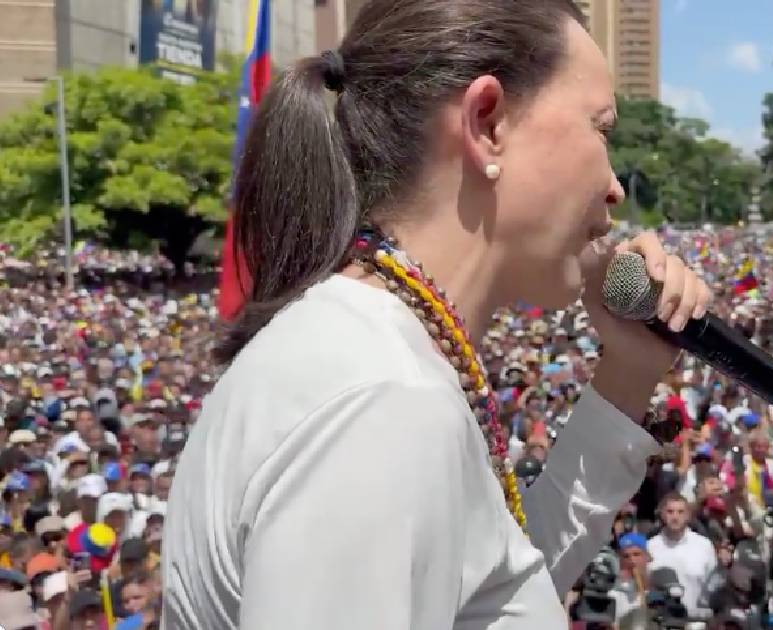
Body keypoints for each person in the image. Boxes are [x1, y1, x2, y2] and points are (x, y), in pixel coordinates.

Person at [159, 0, 713, 628]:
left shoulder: (371, 354)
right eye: (600, 128)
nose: (614, 185)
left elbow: (492, 597)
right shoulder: (383, 399)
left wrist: (628, 376)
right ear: (487, 123)